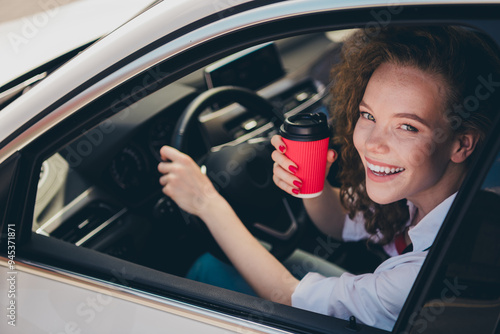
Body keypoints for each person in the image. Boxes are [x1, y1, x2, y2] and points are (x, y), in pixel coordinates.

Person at [157, 26, 500, 330]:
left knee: (206, 270)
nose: (371, 143)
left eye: (407, 126)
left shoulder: (419, 275)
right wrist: (314, 182)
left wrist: (206, 202)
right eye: (368, 115)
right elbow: (340, 221)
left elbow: (287, 296)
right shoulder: (437, 195)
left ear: (461, 144)